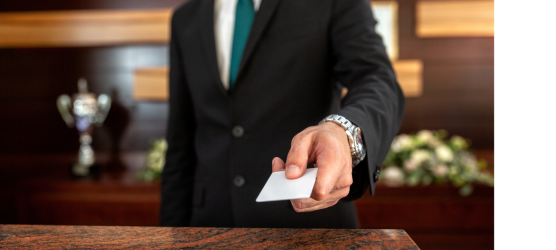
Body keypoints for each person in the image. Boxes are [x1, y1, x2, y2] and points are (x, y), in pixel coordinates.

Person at [160, 0, 405, 228]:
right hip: (209, 224)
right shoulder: (185, 19)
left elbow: (377, 81)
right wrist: (169, 236)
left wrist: (342, 131)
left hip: (309, 224)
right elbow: (180, 143)